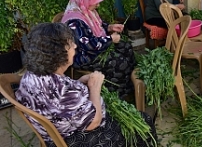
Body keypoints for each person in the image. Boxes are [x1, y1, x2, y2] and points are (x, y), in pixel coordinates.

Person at [15, 22, 156, 147]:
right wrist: (95, 88)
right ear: (59, 53)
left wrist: (79, 82)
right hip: (74, 138)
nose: (75, 46)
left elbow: (60, 102)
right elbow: (93, 122)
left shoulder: (34, 74)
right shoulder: (61, 90)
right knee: (144, 122)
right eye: (71, 44)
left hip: (57, 130)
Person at [61, 0, 135, 99]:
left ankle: (129, 86)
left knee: (126, 47)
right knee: (119, 61)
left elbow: (99, 26)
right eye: (95, 1)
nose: (98, 5)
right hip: (83, 56)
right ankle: (115, 96)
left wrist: (110, 27)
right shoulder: (74, 21)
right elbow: (89, 45)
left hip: (97, 48)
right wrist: (110, 38)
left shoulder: (88, 11)